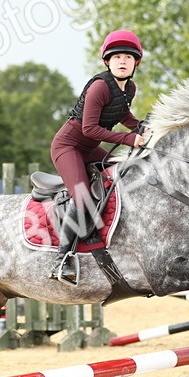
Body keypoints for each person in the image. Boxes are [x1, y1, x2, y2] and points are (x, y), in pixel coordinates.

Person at [48, 29, 147, 283]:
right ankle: (62, 259)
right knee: (82, 197)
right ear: (107, 61)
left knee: (121, 175)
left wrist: (142, 126)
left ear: (136, 62)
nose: (122, 61)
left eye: (128, 57)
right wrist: (128, 138)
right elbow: (89, 129)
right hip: (69, 146)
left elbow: (122, 115)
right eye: (117, 57)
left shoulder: (129, 88)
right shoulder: (100, 86)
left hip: (90, 148)